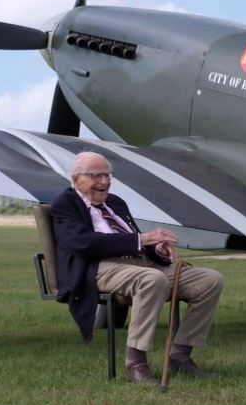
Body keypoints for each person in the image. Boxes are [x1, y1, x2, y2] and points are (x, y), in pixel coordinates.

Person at [51, 151, 224, 384]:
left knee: (210, 280)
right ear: (76, 179)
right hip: (101, 268)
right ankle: (136, 362)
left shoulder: (116, 203)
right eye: (96, 176)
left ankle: (180, 356)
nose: (104, 182)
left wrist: (156, 249)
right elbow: (82, 244)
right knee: (152, 279)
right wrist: (142, 240)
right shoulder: (65, 204)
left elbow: (133, 239)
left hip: (141, 265)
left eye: (107, 175)